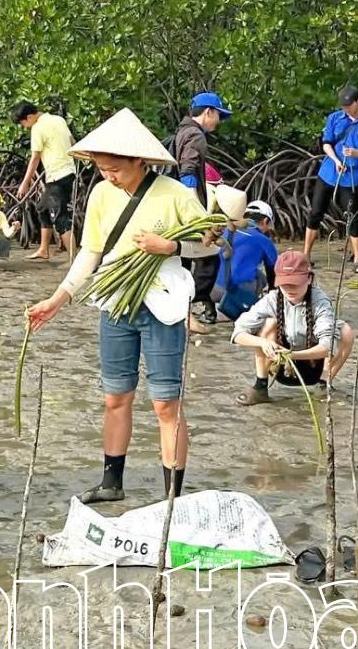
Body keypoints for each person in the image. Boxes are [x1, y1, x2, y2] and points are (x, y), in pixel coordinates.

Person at [27, 109, 219, 503]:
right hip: (115, 305)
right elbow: (90, 253)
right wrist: (57, 299)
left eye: (115, 169)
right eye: (101, 169)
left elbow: (212, 241)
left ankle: (173, 498)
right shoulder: (100, 194)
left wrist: (172, 248)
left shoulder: (175, 194)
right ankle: (111, 482)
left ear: (140, 161)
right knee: (116, 397)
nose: (107, 176)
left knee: (166, 404)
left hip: (162, 307)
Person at [231, 251, 356, 406]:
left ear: (309, 279)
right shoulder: (272, 299)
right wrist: (263, 343)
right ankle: (260, 387)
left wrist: (292, 355)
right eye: (284, 284)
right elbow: (238, 333)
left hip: (312, 365)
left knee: (346, 331)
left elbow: (327, 347)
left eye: (295, 283)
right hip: (279, 366)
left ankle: (324, 384)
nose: (289, 289)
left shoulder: (321, 302)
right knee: (268, 324)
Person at [304, 85, 358, 272]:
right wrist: (335, 159)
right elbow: (326, 144)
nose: (346, 109)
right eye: (343, 106)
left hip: (351, 178)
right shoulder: (334, 118)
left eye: (349, 105)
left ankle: (357, 259)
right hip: (328, 173)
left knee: (352, 217)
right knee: (315, 212)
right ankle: (306, 256)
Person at [174, 92, 231, 327]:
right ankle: (185, 315)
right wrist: (196, 215)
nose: (218, 121)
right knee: (205, 256)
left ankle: (183, 313)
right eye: (218, 115)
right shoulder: (196, 136)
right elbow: (188, 172)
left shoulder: (181, 131)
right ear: (208, 112)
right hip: (185, 209)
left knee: (182, 260)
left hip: (175, 206)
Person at [13, 102, 77, 260]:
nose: (24, 127)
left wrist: (25, 182)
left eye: (23, 123)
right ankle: (43, 250)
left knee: (60, 218)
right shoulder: (59, 119)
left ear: (29, 117)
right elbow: (73, 142)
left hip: (58, 175)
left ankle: (74, 261)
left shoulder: (37, 128)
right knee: (42, 208)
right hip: (68, 172)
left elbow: (35, 158)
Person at [218, 200, 280, 321]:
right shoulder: (264, 240)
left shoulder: (225, 231)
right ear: (266, 221)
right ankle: (242, 303)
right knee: (261, 277)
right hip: (234, 291)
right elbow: (274, 273)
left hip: (213, 289)